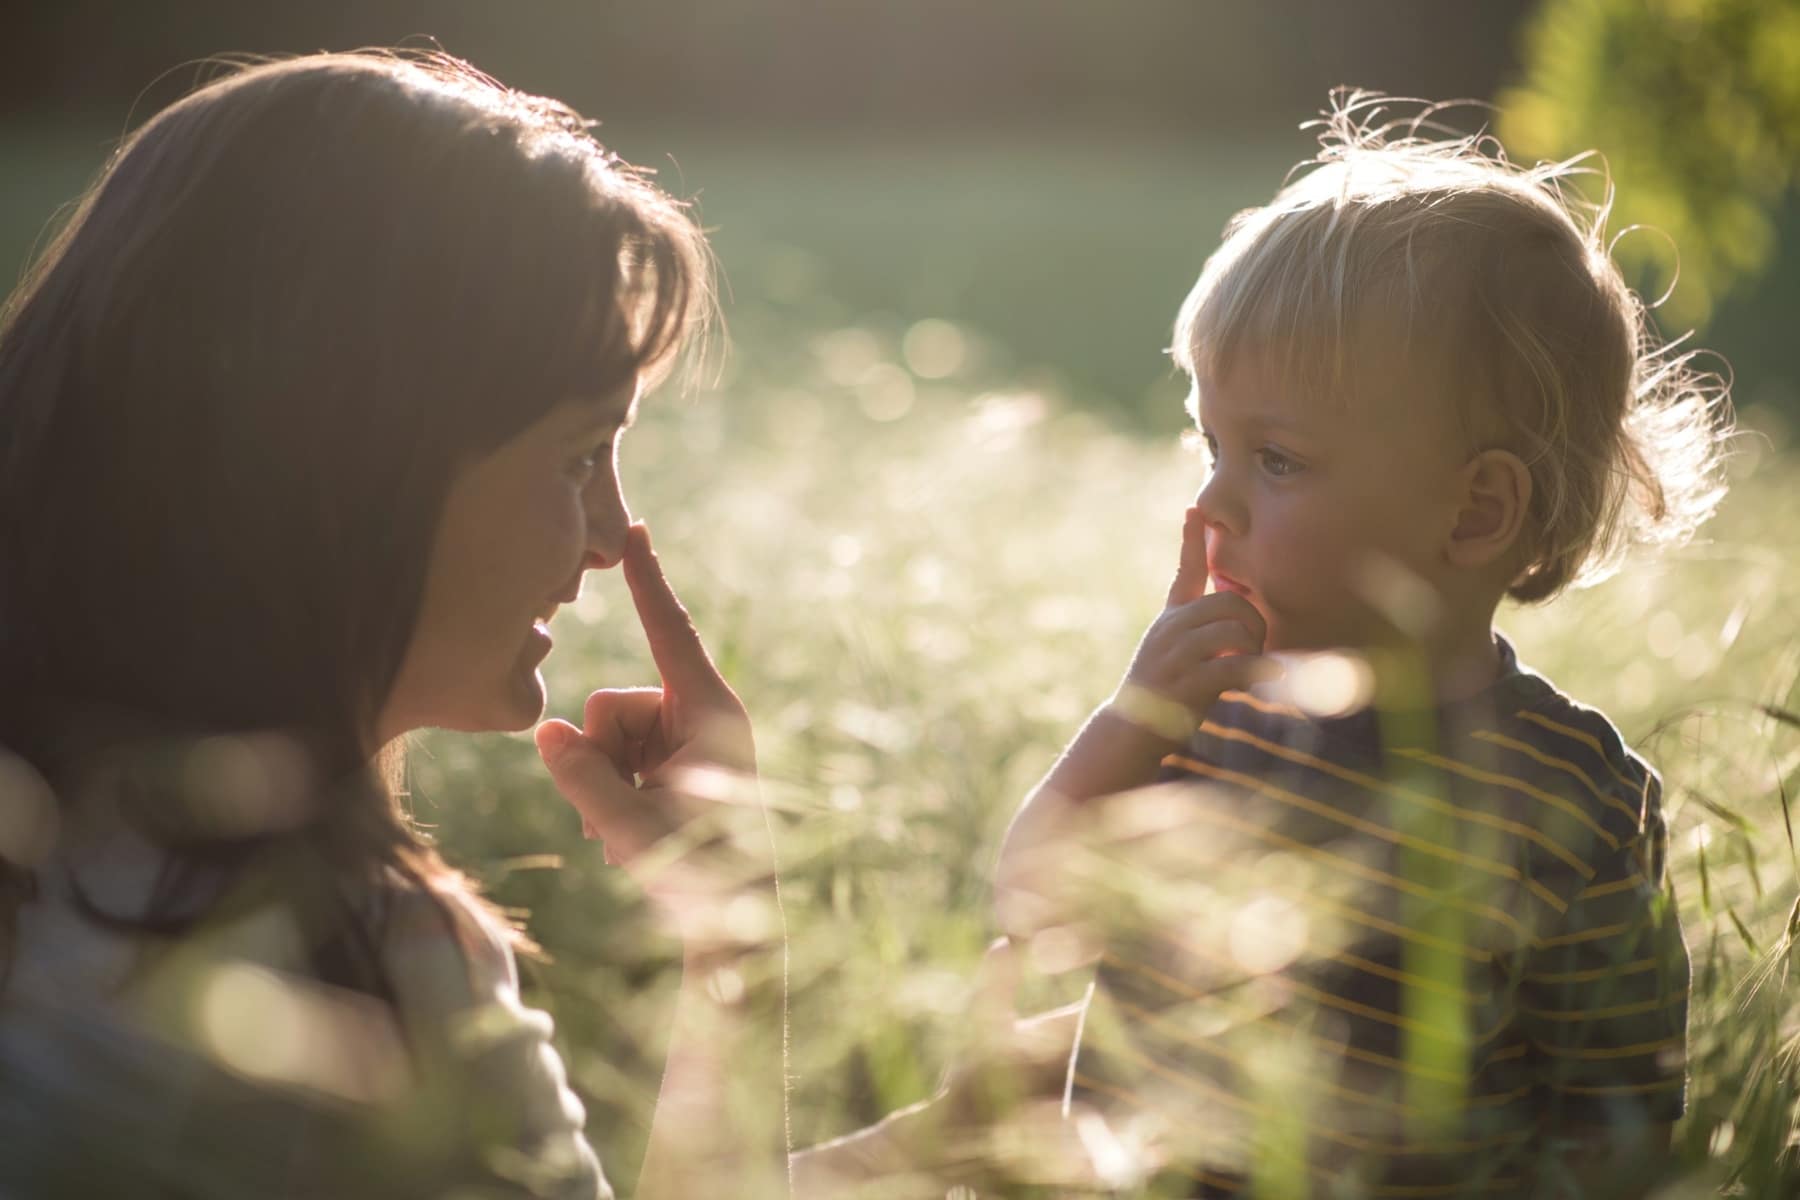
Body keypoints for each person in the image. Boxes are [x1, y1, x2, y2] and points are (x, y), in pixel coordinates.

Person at [0, 51, 789, 1200]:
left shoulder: (58, 871)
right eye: (577, 455)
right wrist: (737, 934)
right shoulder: (363, 973)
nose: (615, 536)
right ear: (358, 469)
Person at [969, 96, 1731, 1198]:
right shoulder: (1207, 711)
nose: (1212, 502)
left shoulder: (1577, 799)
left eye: (1275, 461)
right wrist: (1130, 729)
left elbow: (1616, 1124)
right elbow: (1031, 901)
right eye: (1210, 443)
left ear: (1474, 513)